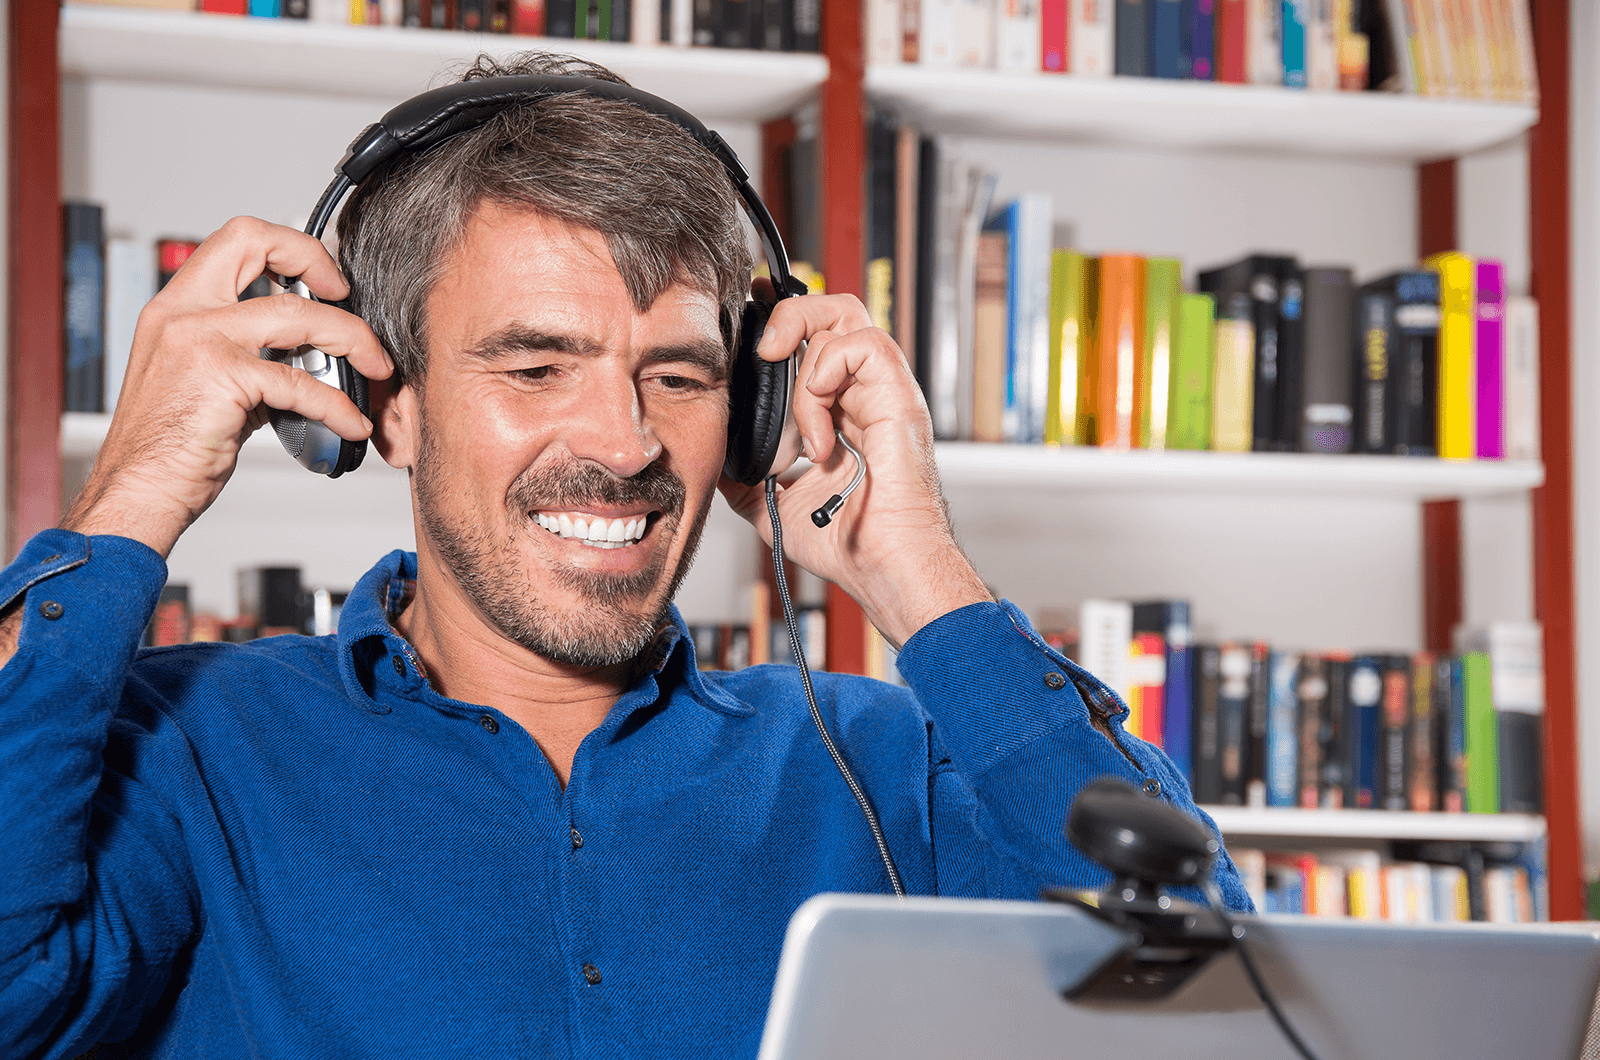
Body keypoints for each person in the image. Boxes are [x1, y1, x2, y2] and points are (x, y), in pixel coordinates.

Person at [0, 52, 1248, 1059]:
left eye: (681, 374)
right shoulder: (187, 751)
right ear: (381, 400)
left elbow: (1214, 1010)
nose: (625, 438)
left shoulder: (883, 764)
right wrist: (133, 497)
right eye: (535, 365)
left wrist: (917, 571)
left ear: (754, 415)